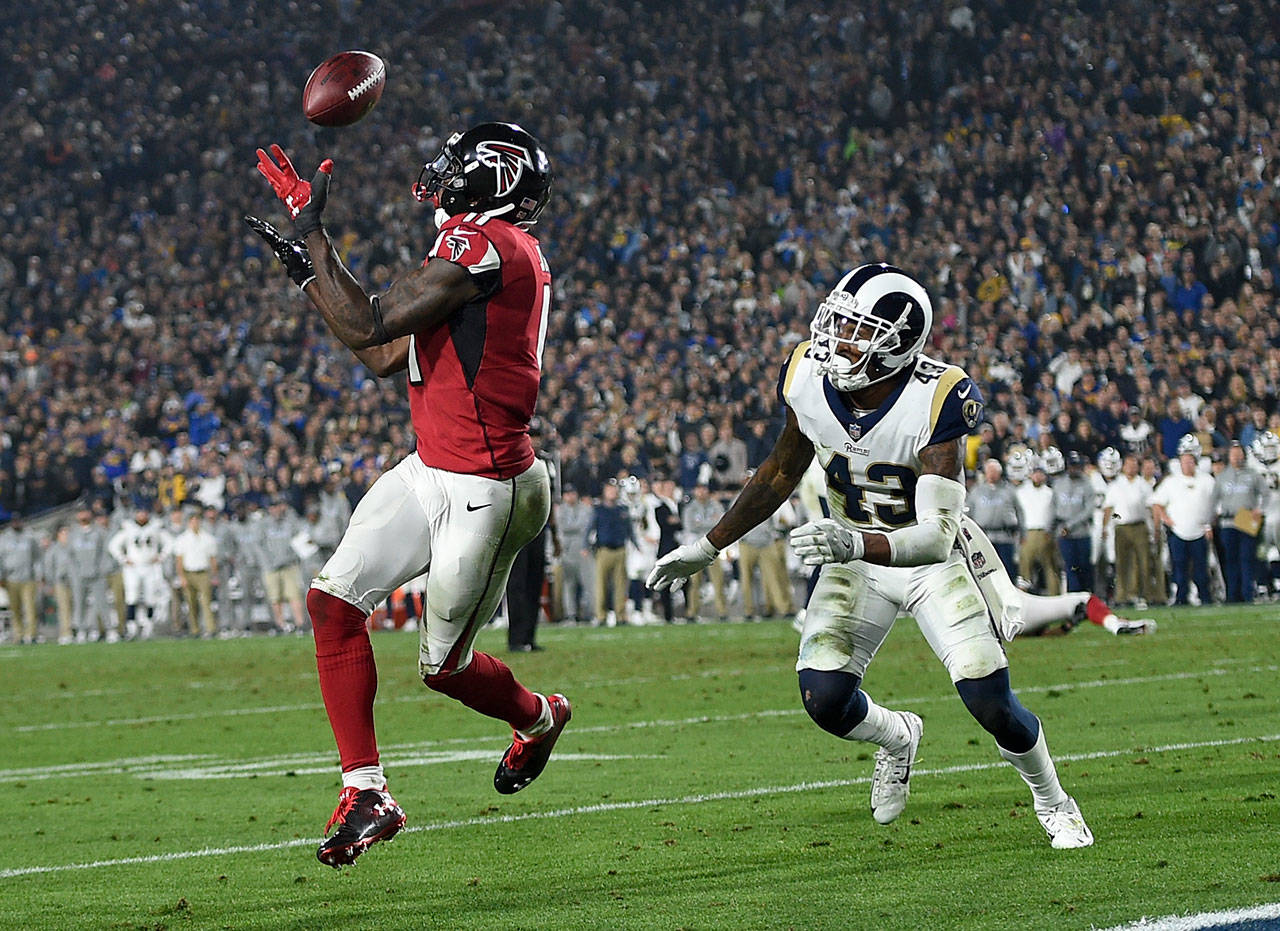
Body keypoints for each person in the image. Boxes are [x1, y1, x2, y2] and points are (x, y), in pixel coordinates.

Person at [649, 264, 1091, 848]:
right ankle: (897, 737)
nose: (835, 339)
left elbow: (936, 536)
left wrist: (850, 542)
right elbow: (782, 467)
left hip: (928, 562)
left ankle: (1053, 801)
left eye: (855, 330)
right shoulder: (807, 374)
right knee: (824, 699)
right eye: (837, 322)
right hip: (853, 555)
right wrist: (708, 547)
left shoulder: (937, 398)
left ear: (895, 344)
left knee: (990, 702)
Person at [248, 121, 570, 868]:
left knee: (442, 667)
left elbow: (372, 321)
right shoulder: (478, 245)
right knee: (333, 602)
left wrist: (316, 233)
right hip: (432, 467)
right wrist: (309, 271)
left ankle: (539, 715)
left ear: (493, 179)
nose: (442, 172)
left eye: (461, 163)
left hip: (489, 487)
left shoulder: (484, 245)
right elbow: (386, 354)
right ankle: (367, 791)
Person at [957, 515, 1155, 637]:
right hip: (1014, 606)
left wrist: (1065, 627)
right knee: (1085, 599)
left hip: (992, 622)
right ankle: (1114, 624)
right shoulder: (971, 540)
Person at [1151, 435, 1216, 605]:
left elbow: (1215, 505)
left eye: (1190, 461)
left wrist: (1209, 525)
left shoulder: (1207, 481)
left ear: (1195, 462)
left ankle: (1205, 597)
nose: (1187, 464)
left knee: (1201, 568)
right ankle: (1181, 598)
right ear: (1179, 463)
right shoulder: (1171, 482)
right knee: (1179, 568)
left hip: (1200, 531)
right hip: (1178, 532)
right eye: (1184, 461)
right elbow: (1156, 503)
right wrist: (1166, 519)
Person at [1211, 441, 1266, 603]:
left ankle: (1248, 594)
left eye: (1239, 454)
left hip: (1247, 518)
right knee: (1231, 560)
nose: (1237, 457)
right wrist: (1212, 518)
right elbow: (1214, 501)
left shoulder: (1253, 475)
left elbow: (1266, 495)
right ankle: (1232, 596)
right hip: (1228, 521)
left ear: (1244, 455)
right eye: (1234, 455)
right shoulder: (1222, 477)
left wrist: (1260, 510)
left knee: (1247, 558)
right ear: (1229, 457)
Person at [107, 507, 169, 640]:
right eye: (139, 512)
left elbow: (169, 542)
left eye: (144, 512)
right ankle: (132, 628)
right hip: (133, 567)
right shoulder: (128, 527)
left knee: (150, 596)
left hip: (150, 566)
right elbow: (113, 545)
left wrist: (161, 556)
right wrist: (123, 559)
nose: (142, 515)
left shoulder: (155, 527)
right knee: (132, 596)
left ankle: (149, 627)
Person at [1102, 454, 1153, 608]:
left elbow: (1151, 506)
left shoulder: (1143, 485)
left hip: (1139, 525)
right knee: (1122, 563)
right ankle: (1122, 596)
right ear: (1123, 467)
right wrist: (1105, 527)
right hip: (1121, 527)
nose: (1131, 468)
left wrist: (1153, 527)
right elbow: (1108, 507)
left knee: (1143, 561)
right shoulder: (1115, 485)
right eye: (1128, 465)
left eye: (1134, 465)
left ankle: (1142, 594)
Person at [967, 457, 1022, 581]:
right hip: (983, 537)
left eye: (994, 471)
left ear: (1000, 473)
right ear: (985, 473)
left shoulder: (1009, 490)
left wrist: (1022, 533)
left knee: (1008, 569)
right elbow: (969, 514)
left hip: (1005, 537)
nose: (992, 474)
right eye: (989, 471)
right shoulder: (976, 491)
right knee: (985, 571)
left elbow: (1019, 511)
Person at [590, 481, 632, 625]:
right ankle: (601, 616)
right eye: (609, 490)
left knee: (621, 585)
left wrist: (636, 544)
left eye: (614, 490)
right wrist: (585, 546)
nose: (612, 493)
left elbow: (630, 530)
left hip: (620, 549)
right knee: (601, 585)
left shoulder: (623, 509)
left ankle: (621, 615)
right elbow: (590, 528)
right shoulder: (598, 510)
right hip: (604, 550)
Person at [172, 510, 220, 638]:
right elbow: (179, 560)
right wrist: (181, 576)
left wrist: (214, 575)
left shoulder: (208, 538)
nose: (195, 523)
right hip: (189, 573)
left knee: (206, 601)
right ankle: (195, 630)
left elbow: (213, 559)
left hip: (203, 572)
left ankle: (210, 629)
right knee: (191, 603)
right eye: (192, 521)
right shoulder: (182, 539)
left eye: (197, 520)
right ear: (188, 523)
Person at [1053, 450, 1095, 593]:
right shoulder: (1058, 484)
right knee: (1069, 566)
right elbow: (1054, 507)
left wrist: (1069, 526)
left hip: (1082, 531)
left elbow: (1088, 509)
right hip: (1063, 532)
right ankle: (1073, 599)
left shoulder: (1087, 484)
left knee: (1084, 565)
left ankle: (1087, 595)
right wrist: (1052, 528)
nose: (1074, 469)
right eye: (1071, 466)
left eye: (1076, 466)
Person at [553, 485, 595, 625]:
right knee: (568, 584)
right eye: (567, 493)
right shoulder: (561, 510)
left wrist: (572, 528)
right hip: (567, 550)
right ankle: (570, 615)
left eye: (572, 493)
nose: (570, 496)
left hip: (583, 549)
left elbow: (584, 526)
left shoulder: (585, 508)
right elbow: (564, 527)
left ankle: (589, 614)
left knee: (587, 582)